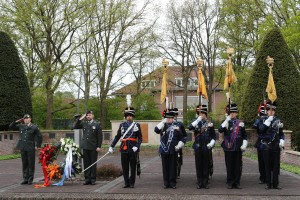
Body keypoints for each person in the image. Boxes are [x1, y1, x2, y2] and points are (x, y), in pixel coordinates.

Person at [109, 107, 142, 188]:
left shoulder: (136, 125)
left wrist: (137, 146)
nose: (129, 117)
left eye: (130, 115)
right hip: (124, 148)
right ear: (125, 116)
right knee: (125, 167)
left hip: (133, 148)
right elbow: (117, 137)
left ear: (132, 116)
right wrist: (111, 146)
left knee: (133, 167)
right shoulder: (122, 125)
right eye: (127, 115)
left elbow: (140, 138)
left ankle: (132, 183)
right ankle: (126, 182)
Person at [218, 103, 248, 189]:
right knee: (229, 165)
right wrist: (226, 121)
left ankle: (237, 182)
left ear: (236, 113)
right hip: (228, 147)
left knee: (238, 166)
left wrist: (244, 144)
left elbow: (244, 135)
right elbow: (220, 130)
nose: (232, 114)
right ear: (228, 113)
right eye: (231, 112)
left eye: (234, 112)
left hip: (238, 147)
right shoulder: (226, 121)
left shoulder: (240, 123)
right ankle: (230, 182)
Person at [154, 109, 184, 189]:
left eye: (170, 118)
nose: (169, 119)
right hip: (164, 149)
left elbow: (182, 137)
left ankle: (172, 183)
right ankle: (166, 183)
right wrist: (162, 122)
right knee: (165, 167)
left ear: (173, 118)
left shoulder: (176, 126)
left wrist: (179, 145)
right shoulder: (163, 126)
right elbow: (156, 130)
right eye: (167, 118)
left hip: (173, 149)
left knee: (173, 167)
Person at [9, 114, 42, 185]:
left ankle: (30, 179)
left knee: (31, 163)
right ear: (23, 120)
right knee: (24, 163)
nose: (26, 119)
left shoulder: (34, 127)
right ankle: (25, 178)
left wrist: (37, 145)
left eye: (27, 118)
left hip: (30, 147)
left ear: (30, 119)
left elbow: (39, 136)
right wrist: (16, 121)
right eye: (25, 119)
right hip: (23, 147)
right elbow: (11, 127)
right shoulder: (21, 126)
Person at [259, 100, 284, 190]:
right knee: (267, 166)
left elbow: (281, 133)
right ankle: (268, 184)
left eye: (273, 110)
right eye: (269, 110)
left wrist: (282, 140)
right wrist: (267, 121)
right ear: (267, 111)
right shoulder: (262, 119)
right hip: (266, 146)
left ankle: (276, 184)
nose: (271, 112)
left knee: (276, 166)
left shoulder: (278, 120)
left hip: (276, 146)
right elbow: (261, 130)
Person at [189, 105, 216, 189]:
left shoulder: (210, 123)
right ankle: (199, 182)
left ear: (206, 114)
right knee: (199, 165)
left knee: (206, 165)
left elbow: (213, 136)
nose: (202, 115)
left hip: (206, 146)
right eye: (200, 113)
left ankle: (205, 181)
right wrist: (197, 120)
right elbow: (190, 128)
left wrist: (212, 142)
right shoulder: (195, 122)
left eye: (203, 113)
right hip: (198, 146)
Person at [74, 110, 102, 185]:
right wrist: (80, 119)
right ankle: (87, 179)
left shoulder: (96, 124)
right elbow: (75, 127)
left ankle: (93, 179)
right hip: (85, 146)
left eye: (89, 115)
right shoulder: (84, 123)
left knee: (93, 163)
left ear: (93, 116)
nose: (88, 116)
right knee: (86, 163)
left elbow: (99, 136)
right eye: (87, 115)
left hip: (93, 146)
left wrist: (99, 146)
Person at [170, 108, 187, 179]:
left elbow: (184, 136)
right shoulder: (167, 124)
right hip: (169, 145)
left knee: (178, 160)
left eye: (175, 115)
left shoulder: (180, 124)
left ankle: (177, 173)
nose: (174, 117)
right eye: (172, 115)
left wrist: (181, 144)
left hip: (177, 145)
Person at [253, 104, 268, 184]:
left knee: (264, 161)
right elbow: (255, 126)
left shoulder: (271, 119)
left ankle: (265, 178)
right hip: (261, 141)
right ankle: (263, 177)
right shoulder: (259, 120)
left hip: (267, 141)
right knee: (262, 161)